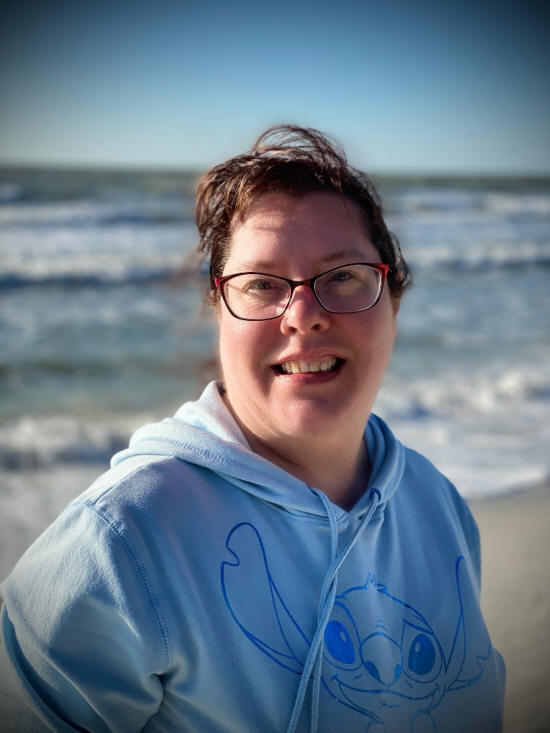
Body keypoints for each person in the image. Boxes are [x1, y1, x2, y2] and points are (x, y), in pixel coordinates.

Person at [0, 125, 505, 732]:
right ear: (219, 309)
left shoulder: (436, 503)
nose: (303, 317)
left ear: (393, 298)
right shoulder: (121, 544)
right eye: (262, 284)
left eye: (343, 275)